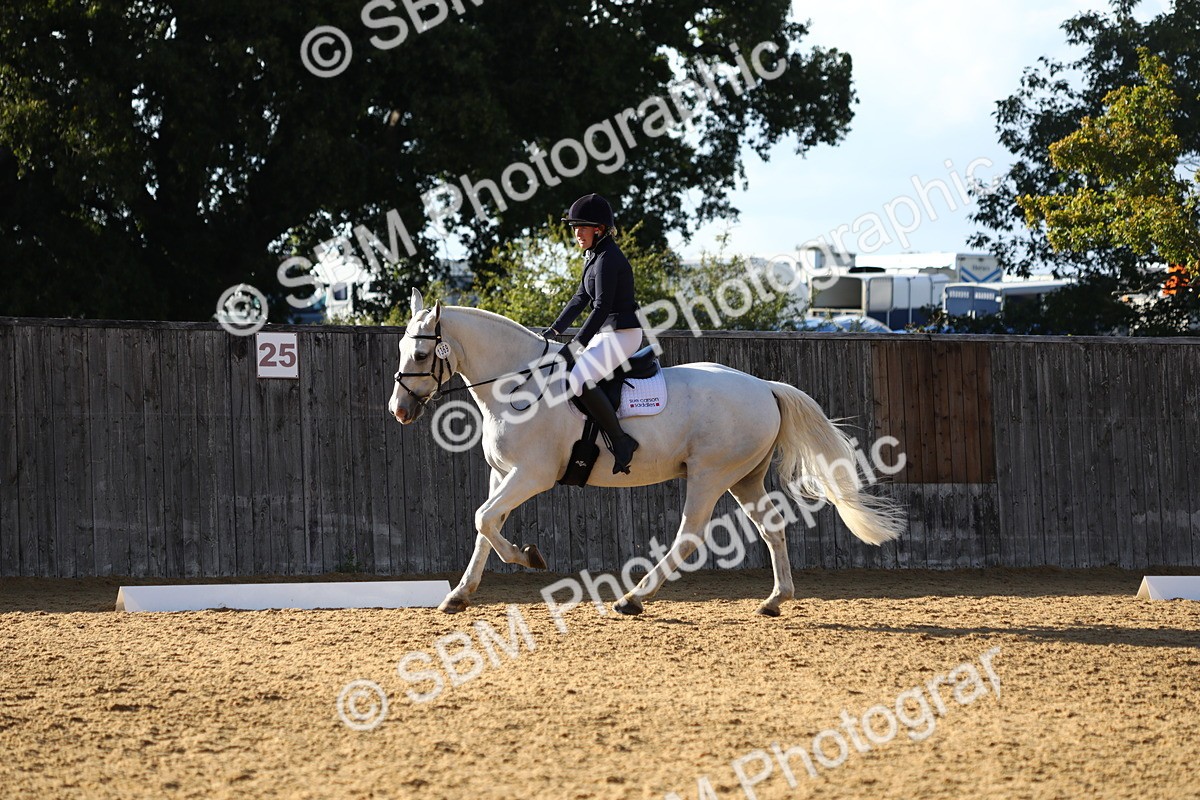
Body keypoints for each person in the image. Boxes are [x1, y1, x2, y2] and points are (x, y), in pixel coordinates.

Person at [542, 193, 642, 474]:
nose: (576, 234)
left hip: (623, 333)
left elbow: (601, 307)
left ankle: (622, 442)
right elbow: (579, 298)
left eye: (581, 228)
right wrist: (553, 330)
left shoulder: (608, 258)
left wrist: (575, 345)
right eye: (574, 228)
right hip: (608, 333)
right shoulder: (595, 256)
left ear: (598, 229)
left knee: (579, 379)